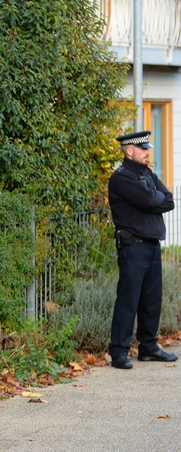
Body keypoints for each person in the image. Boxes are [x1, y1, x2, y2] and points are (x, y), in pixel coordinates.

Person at [108, 130, 178, 369]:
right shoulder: (121, 178)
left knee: (151, 300)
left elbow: (168, 200)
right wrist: (152, 200)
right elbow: (151, 201)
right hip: (133, 246)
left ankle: (148, 347)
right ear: (130, 151)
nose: (148, 152)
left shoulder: (147, 174)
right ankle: (119, 352)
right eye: (143, 149)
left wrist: (152, 199)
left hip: (151, 245)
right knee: (129, 299)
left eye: (147, 148)